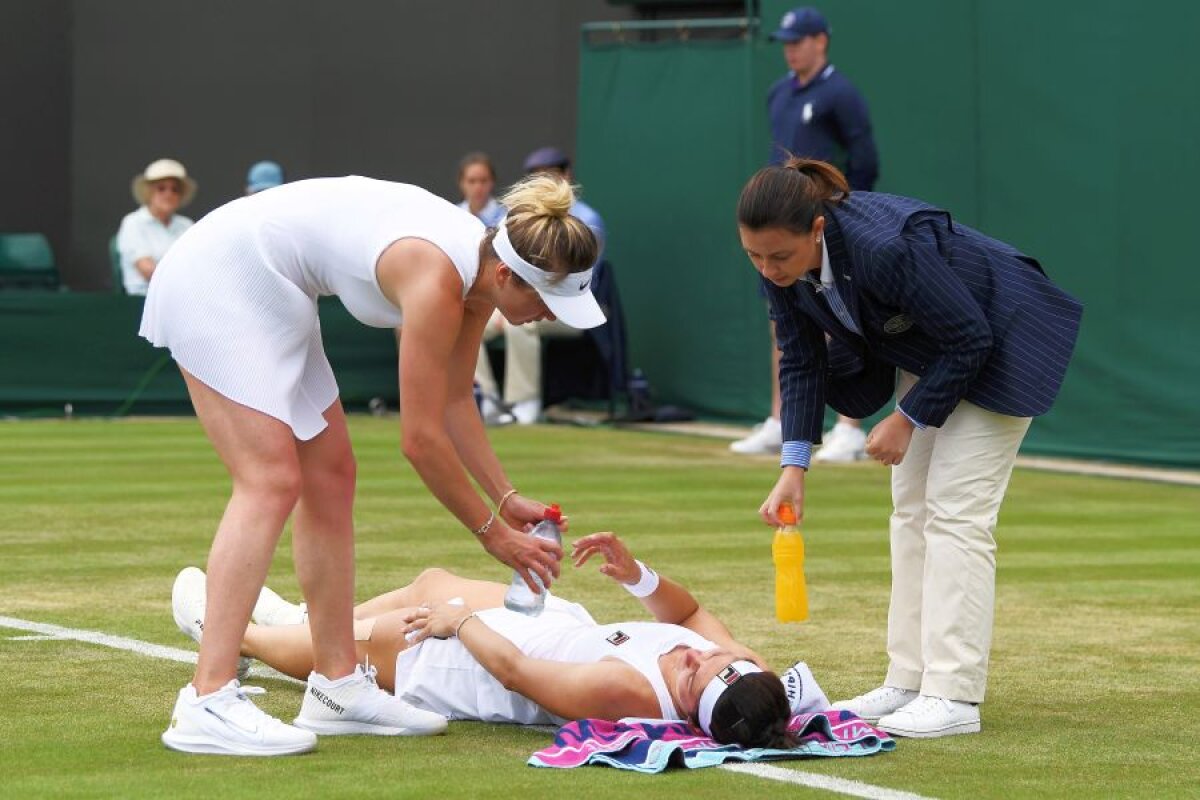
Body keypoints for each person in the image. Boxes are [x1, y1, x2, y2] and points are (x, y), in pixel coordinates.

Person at [140, 172, 606, 756]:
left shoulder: (476, 276)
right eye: (545, 298)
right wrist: (493, 536)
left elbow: (456, 400)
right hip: (221, 274)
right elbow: (420, 438)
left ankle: (337, 687)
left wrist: (506, 497)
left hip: (275, 289)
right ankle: (206, 700)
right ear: (508, 274)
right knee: (270, 480)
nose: (548, 314)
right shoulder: (438, 275)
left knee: (331, 475)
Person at [737, 158, 1082, 738]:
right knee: (911, 512)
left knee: (956, 515)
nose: (768, 270)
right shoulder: (779, 266)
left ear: (817, 230)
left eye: (779, 257)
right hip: (937, 347)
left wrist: (906, 417)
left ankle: (953, 696)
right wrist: (794, 466)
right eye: (754, 256)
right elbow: (800, 358)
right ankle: (908, 678)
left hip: (1002, 337)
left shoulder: (883, 248)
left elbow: (973, 336)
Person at [170, 532, 826, 749]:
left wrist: (459, 624)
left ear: (687, 712)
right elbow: (690, 613)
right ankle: (294, 624)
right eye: (721, 654)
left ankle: (236, 640)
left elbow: (513, 672)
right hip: (559, 625)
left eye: (695, 674)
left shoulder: (621, 690)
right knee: (430, 580)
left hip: (481, 665)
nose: (698, 654)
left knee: (381, 641)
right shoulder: (748, 673)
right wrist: (639, 576)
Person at [731, 7, 879, 460]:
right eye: (786, 43)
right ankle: (782, 420)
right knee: (784, 323)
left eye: (798, 41)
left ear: (821, 41)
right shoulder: (779, 93)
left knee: (838, 320)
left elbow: (864, 160)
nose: (790, 51)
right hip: (784, 228)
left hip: (826, 228)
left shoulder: (841, 92)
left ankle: (848, 428)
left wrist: (841, 212)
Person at [473, 146, 607, 424]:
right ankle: (482, 399)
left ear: (566, 175)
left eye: (550, 174)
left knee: (522, 322)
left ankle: (524, 401)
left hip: (570, 307)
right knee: (472, 319)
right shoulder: (510, 218)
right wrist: (499, 308)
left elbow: (576, 285)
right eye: (535, 176)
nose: (543, 181)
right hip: (518, 297)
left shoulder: (589, 221)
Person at [115, 158, 197, 295]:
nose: (168, 194)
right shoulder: (133, 223)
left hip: (183, 299)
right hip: (142, 302)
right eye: (161, 188)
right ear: (149, 192)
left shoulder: (187, 225)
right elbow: (148, 270)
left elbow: (198, 265)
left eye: (175, 189)